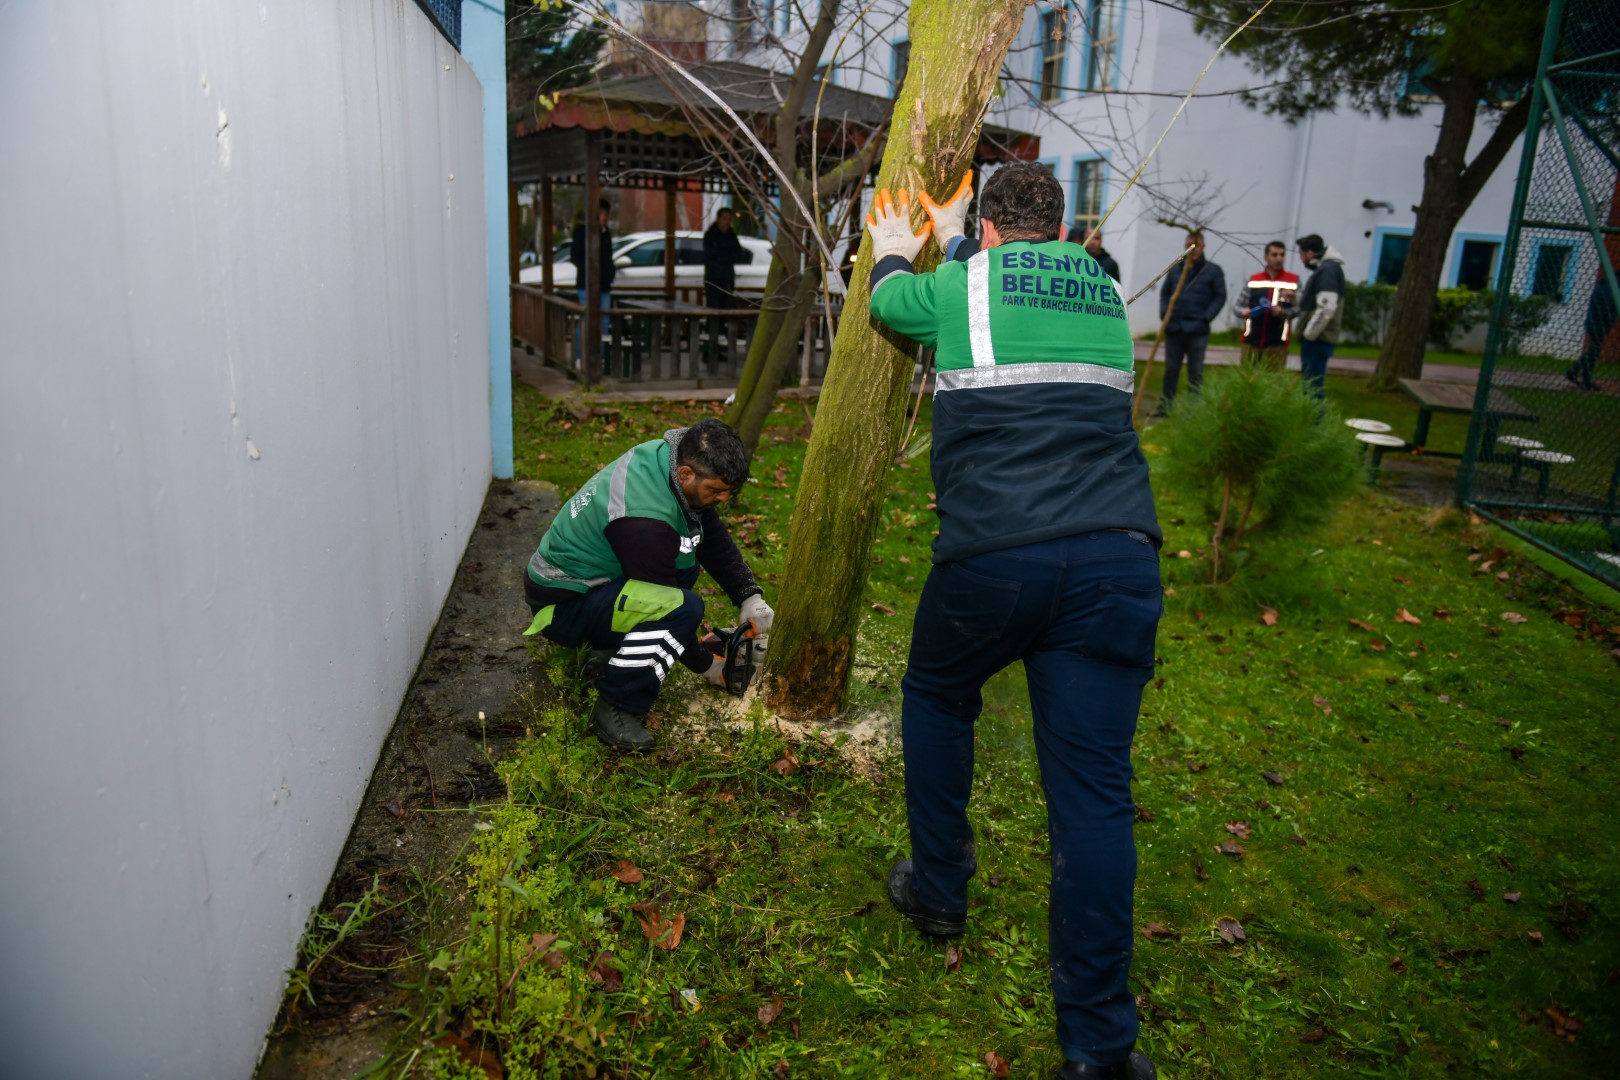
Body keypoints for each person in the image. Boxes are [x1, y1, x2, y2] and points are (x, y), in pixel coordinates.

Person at [867, 164, 1162, 1080]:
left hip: (995, 558)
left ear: (990, 230)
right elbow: (1006, 284)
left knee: (938, 693)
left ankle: (939, 892)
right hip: (1116, 558)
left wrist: (889, 248)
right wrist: (962, 233)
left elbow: (894, 306)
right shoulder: (1104, 287)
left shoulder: (963, 282)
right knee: (1094, 800)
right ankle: (1102, 1051)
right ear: (1058, 226)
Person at [520, 419, 775, 752]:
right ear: (686, 473)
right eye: (716, 490)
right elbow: (666, 606)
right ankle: (615, 706)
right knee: (683, 608)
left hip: (591, 585)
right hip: (562, 608)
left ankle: (611, 651)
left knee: (682, 578)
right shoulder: (645, 523)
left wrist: (748, 595)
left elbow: (707, 530)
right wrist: (708, 666)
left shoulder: (665, 458)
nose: (724, 499)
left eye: (728, 490)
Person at [1156, 230, 1226, 412]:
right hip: (1175, 328)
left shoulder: (1212, 271)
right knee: (1171, 369)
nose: (1192, 250)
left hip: (1197, 329)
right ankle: (1166, 405)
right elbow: (1165, 293)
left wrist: (1206, 317)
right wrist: (1165, 314)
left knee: (1195, 371)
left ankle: (1194, 409)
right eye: (1189, 246)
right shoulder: (1176, 268)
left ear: (1203, 247)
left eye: (1196, 247)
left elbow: (1220, 296)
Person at [1293, 234, 1347, 399]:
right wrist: (1295, 297)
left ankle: (1314, 423)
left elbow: (1326, 307)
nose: (1302, 260)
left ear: (1309, 253)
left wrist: (1309, 334)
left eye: (1301, 255)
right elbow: (1316, 301)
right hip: (1318, 338)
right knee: (1310, 384)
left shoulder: (1328, 270)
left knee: (1312, 387)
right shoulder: (1326, 269)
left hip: (1318, 340)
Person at [1234, 241, 1299, 370]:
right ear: (1266, 257)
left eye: (1282, 255)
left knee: (1273, 383)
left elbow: (1299, 308)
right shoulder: (1254, 280)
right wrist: (1244, 312)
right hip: (1251, 341)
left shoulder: (1293, 280)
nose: (1279, 259)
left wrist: (1283, 312)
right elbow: (1237, 307)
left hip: (1277, 344)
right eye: (1274, 255)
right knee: (1247, 381)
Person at [1565, 262, 1618, 391]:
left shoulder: (1604, 288)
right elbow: (1607, 309)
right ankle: (1582, 375)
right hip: (1599, 323)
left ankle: (1579, 373)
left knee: (1594, 350)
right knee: (1594, 350)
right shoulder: (1608, 290)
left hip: (1596, 322)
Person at [571, 198, 616, 341]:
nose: (605, 217)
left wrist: (610, 273)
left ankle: (601, 357)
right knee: (586, 320)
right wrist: (588, 271)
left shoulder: (606, 234)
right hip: (586, 284)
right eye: (602, 213)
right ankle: (580, 356)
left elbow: (608, 258)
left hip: (604, 286)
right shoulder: (581, 232)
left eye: (606, 213)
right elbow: (575, 257)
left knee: (604, 321)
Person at [702, 208, 747, 308]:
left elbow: (738, 254)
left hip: (727, 278)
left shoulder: (732, 236)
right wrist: (723, 257)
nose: (727, 222)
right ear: (718, 219)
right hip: (713, 278)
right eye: (724, 219)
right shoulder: (710, 235)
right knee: (713, 308)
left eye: (729, 219)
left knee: (728, 306)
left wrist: (725, 257)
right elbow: (710, 255)